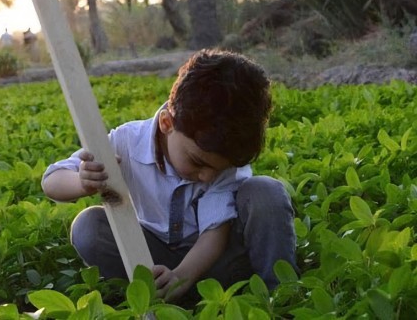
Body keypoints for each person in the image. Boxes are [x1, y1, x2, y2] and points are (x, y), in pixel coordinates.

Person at [42, 49, 297, 302]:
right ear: (167, 123)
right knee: (88, 227)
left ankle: (279, 297)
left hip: (219, 267)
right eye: (198, 162)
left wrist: (182, 277)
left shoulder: (225, 153)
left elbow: (214, 233)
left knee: (266, 193)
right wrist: (81, 182)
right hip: (154, 260)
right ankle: (152, 295)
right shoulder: (126, 143)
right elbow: (52, 180)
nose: (207, 176)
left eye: (218, 169)